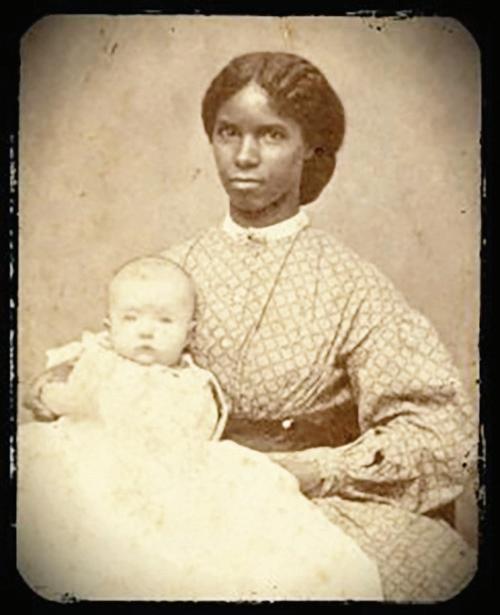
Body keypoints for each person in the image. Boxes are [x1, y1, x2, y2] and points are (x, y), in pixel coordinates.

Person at [25, 51, 477, 601]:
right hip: (166, 498)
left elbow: (438, 433)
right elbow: (102, 373)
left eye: (272, 135)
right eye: (228, 132)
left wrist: (313, 469)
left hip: (302, 505)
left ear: (310, 148)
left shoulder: (353, 286)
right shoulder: (169, 272)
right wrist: (62, 388)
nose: (244, 156)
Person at [18, 256, 382, 600]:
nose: (146, 331)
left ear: (189, 334)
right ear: (109, 326)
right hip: (90, 456)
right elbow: (62, 394)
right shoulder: (98, 360)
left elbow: (197, 430)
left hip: (164, 470)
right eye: (131, 319)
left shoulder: (191, 382)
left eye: (165, 322)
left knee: (216, 532)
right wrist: (52, 394)